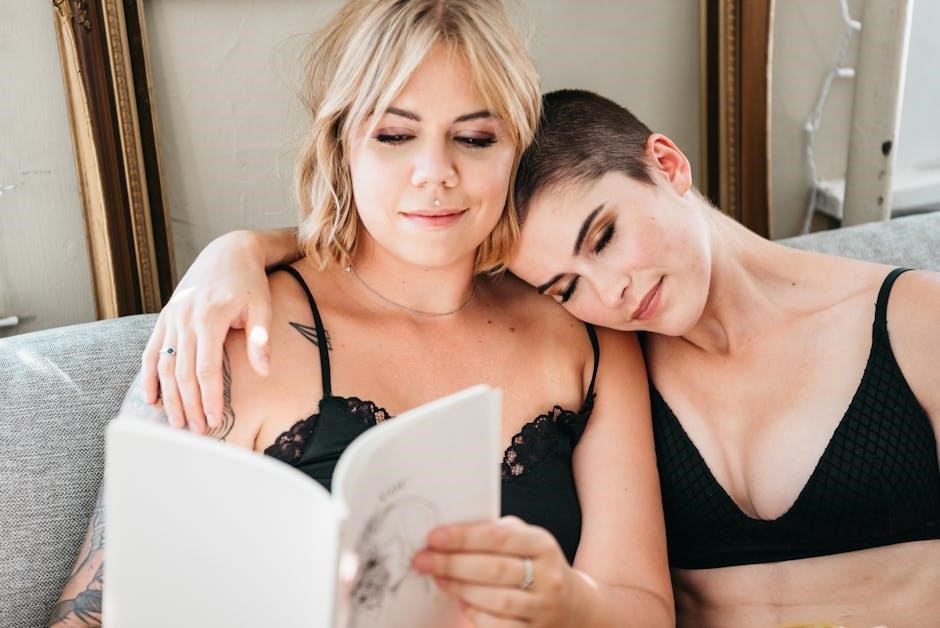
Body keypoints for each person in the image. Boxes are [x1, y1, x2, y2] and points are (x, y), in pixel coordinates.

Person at [155, 88, 940, 628]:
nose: (611, 289)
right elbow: (402, 248)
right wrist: (242, 250)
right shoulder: (608, 353)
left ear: (667, 164)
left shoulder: (913, 322)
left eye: (605, 235)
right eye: (566, 286)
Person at [49, 4, 672, 627]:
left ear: (516, 149)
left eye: (476, 138)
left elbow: (643, 606)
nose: (435, 174)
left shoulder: (586, 334)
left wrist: (565, 602)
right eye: (394, 136)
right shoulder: (234, 335)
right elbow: (88, 617)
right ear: (342, 144)